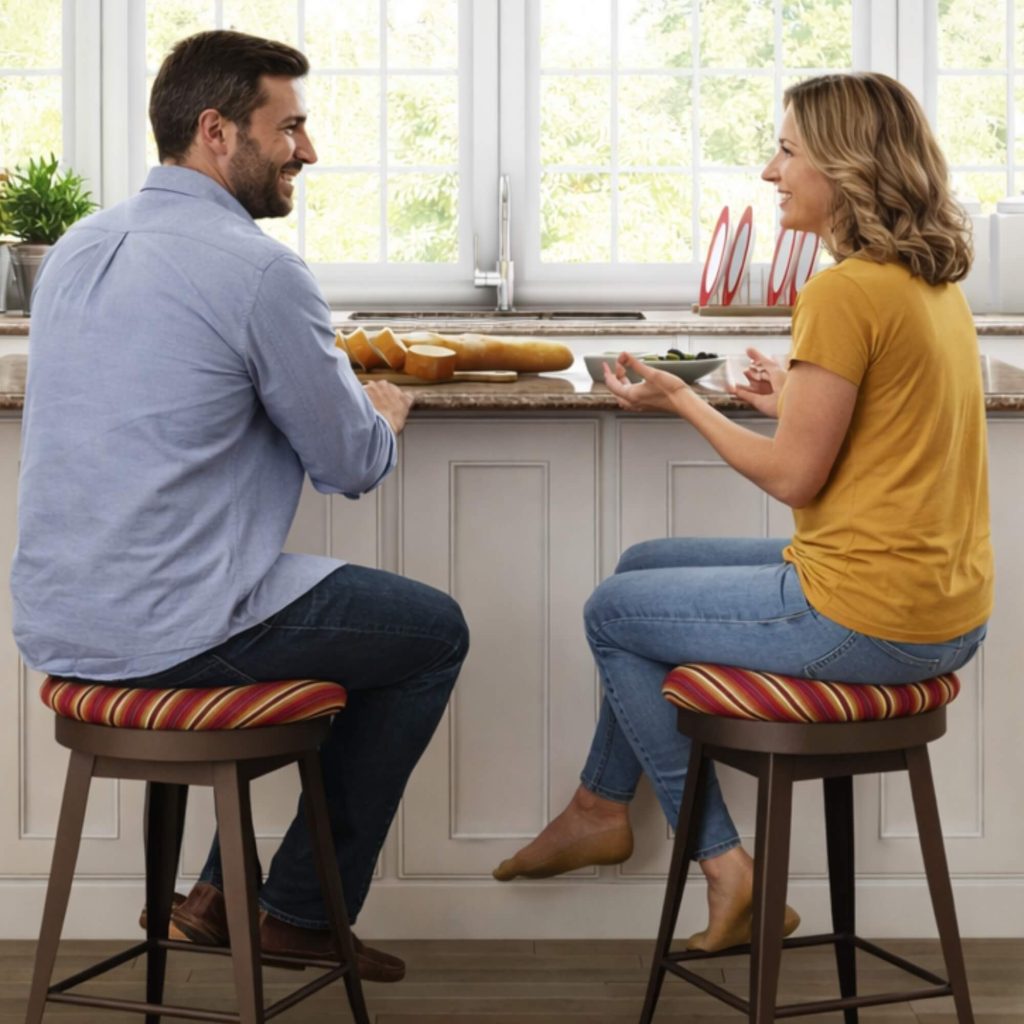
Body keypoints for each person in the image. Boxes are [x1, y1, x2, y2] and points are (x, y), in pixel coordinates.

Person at [492, 71, 992, 953]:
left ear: (845, 166)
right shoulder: (926, 285)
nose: (770, 170)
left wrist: (684, 401)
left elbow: (797, 480)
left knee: (611, 611)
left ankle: (727, 868)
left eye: (789, 150)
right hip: (943, 612)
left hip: (863, 621)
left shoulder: (842, 293)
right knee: (645, 565)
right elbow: (873, 435)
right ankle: (601, 806)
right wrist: (785, 400)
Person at [11, 30, 469, 982]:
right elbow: (350, 464)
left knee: (337, 622)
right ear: (217, 132)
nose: (308, 149)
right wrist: (383, 411)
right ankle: (298, 909)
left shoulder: (81, 246)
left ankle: (223, 894)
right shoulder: (259, 271)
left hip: (59, 624)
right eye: (289, 126)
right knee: (431, 632)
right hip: (174, 628)